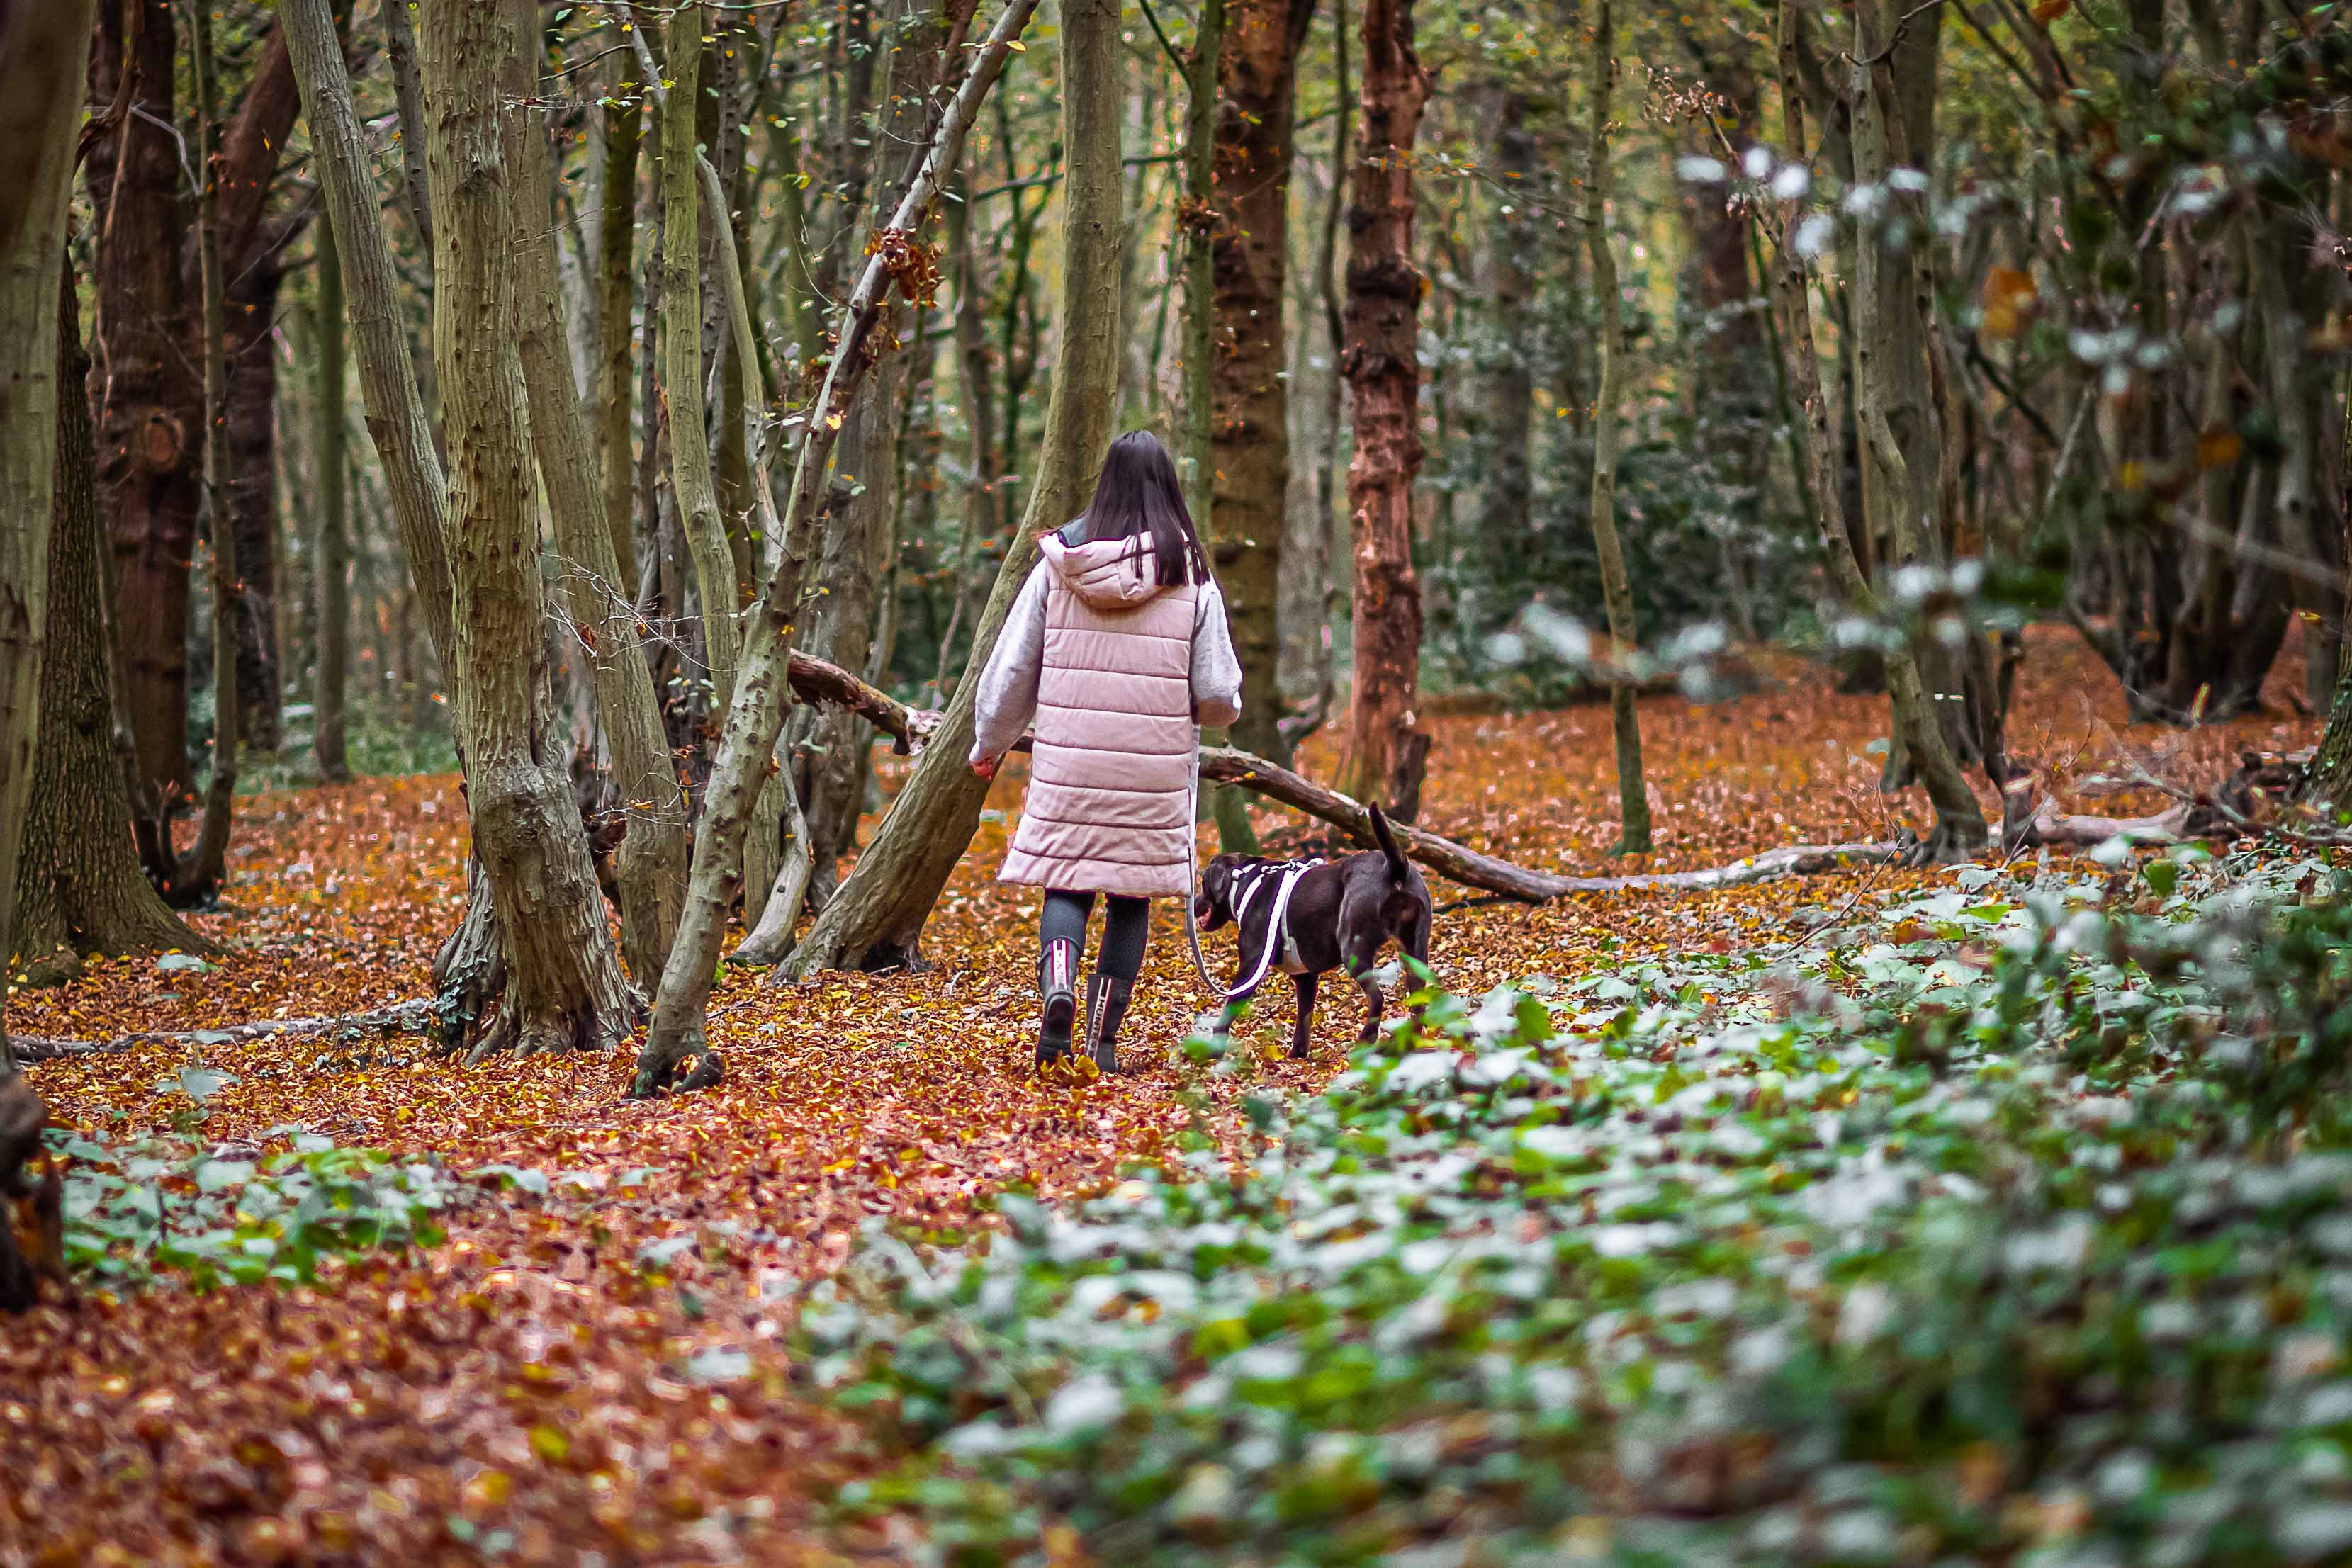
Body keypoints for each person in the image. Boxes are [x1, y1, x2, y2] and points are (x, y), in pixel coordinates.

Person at [970, 429, 1243, 1071]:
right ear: (1168, 489)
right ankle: (1103, 1040)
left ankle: (1058, 992)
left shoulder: (1058, 566)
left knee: (1066, 884)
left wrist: (990, 743)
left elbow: (1012, 670)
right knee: (1129, 895)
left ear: (1105, 486)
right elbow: (1216, 691)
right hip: (1151, 767)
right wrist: (1209, 713)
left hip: (1070, 760)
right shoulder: (1191, 574)